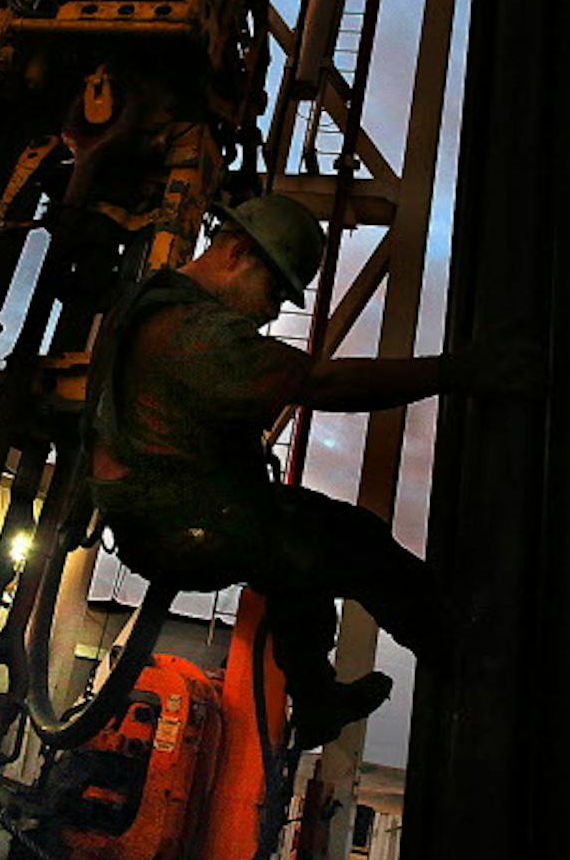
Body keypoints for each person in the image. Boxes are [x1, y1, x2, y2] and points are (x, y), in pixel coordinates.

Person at [89, 193, 536, 748]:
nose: (274, 310)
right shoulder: (191, 334)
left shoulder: (148, 302)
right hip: (180, 525)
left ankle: (319, 700)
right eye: (275, 289)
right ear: (237, 253)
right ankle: (472, 668)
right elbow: (322, 384)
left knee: (299, 548)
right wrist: (457, 371)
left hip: (171, 512)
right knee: (351, 544)